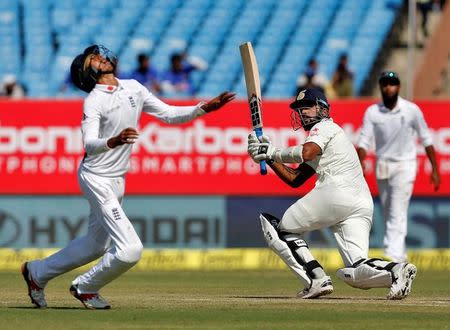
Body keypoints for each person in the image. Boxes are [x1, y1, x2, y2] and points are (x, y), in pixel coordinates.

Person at [21, 44, 235, 309]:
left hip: (117, 179)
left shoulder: (134, 86)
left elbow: (168, 114)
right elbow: (88, 144)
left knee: (95, 246)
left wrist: (204, 108)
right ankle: (85, 287)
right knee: (130, 250)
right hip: (96, 177)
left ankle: (36, 272)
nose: (101, 58)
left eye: (99, 55)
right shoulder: (94, 100)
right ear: (87, 72)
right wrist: (113, 140)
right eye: (94, 59)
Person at [247, 88, 417, 300]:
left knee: (279, 230)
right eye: (299, 110)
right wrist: (270, 158)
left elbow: (305, 153)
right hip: (361, 202)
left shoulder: (324, 127)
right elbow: (295, 179)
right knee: (355, 271)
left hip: (337, 191)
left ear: (322, 108)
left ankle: (315, 279)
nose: (302, 113)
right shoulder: (327, 137)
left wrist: (272, 151)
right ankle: (396, 271)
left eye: (306, 107)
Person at [357, 71, 441, 263]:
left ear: (399, 87)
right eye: (385, 84)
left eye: (392, 84)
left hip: (405, 165)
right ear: (380, 87)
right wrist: (359, 162)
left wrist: (435, 170)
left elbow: (426, 140)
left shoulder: (411, 110)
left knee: (397, 211)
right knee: (388, 212)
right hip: (383, 165)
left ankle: (392, 256)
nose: (388, 87)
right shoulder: (373, 112)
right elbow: (364, 141)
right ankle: (400, 257)